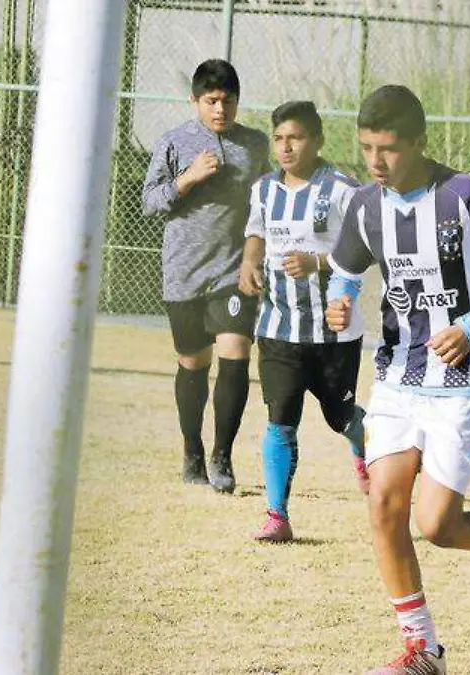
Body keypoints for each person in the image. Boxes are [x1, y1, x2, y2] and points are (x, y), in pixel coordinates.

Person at [325, 85, 470, 675]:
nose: (376, 161)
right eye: (367, 148)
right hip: (398, 376)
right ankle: (423, 649)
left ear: (419, 143)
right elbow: (344, 274)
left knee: (438, 526)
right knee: (383, 507)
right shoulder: (365, 206)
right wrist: (338, 301)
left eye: (388, 148)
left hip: (463, 382)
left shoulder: (466, 195)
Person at [237, 100, 369, 543]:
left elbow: (364, 251)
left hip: (334, 331)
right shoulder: (263, 190)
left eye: (295, 138)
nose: (286, 147)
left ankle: (364, 446)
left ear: (316, 140)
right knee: (280, 419)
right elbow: (255, 234)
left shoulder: (344, 190)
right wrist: (249, 262)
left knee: (340, 417)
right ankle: (277, 516)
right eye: (279, 139)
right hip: (278, 327)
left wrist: (317, 262)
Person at [141, 59, 269, 493]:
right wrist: (188, 178)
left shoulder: (254, 144)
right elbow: (149, 202)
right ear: (195, 100)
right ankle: (192, 451)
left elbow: (266, 203)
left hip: (233, 271)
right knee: (193, 364)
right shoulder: (174, 142)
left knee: (236, 353)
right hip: (184, 273)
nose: (220, 109)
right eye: (211, 101)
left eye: (228, 101)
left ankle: (222, 457)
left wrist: (255, 256)